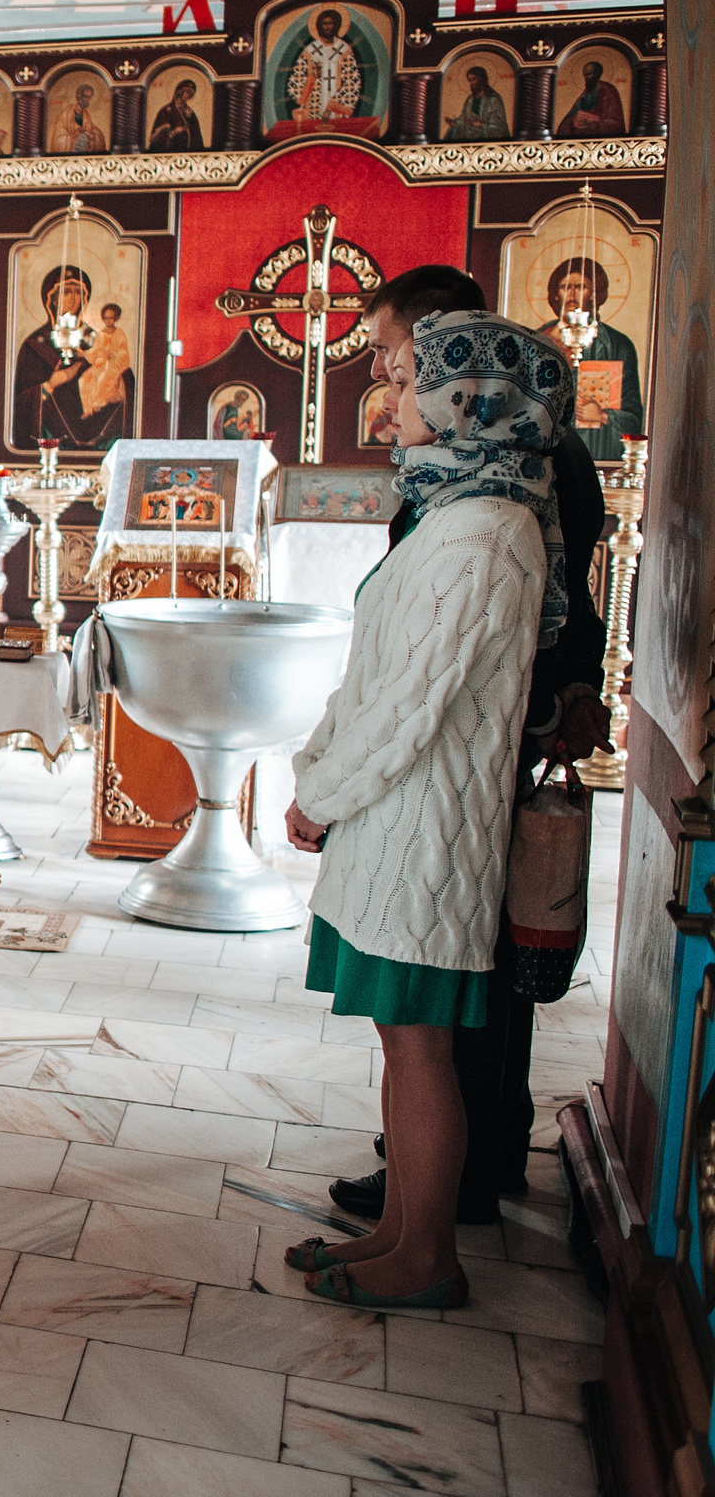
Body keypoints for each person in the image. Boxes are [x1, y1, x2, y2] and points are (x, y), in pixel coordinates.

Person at [283, 296, 576, 1307]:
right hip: (391, 820)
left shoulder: (488, 532)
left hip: (425, 823)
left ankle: (426, 1256)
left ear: (472, 398)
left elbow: (413, 702)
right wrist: (321, 772)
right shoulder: (454, 510)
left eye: (412, 379)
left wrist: (321, 794)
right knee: (401, 1044)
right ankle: (397, 1231)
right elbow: (375, 672)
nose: (391, 396)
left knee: (422, 1047)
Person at [326, 265, 608, 1228]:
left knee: (454, 1008)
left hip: (468, 762)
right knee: (426, 1022)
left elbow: (441, 676)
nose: (384, 383)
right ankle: (426, 1183)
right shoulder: (454, 486)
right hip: (443, 762)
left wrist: (566, 696)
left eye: (397, 363)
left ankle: (465, 1173)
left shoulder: (511, 493)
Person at [541, 257, 643, 458]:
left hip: (598, 456)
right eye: (565, 287)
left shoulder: (617, 345)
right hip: (548, 454)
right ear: (555, 294)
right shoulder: (539, 339)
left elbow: (634, 419)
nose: (572, 295)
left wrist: (603, 415)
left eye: (581, 287)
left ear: (596, 294)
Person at [14, 266, 125, 448]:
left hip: (95, 418)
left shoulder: (98, 340)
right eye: (66, 292)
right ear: (53, 299)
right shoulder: (35, 344)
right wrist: (51, 384)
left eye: (78, 292)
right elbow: (20, 400)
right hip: (55, 432)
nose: (73, 299)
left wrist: (118, 382)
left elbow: (121, 372)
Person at [558, 61, 627, 137]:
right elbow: (569, 118)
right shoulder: (585, 94)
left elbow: (616, 123)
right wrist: (573, 120)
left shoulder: (608, 91)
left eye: (590, 74)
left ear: (598, 74)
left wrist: (598, 125)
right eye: (585, 75)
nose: (587, 78)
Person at [443, 66, 510, 141]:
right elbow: (464, 118)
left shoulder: (494, 99)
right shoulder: (470, 99)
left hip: (485, 134)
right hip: (470, 133)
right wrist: (455, 123)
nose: (471, 83)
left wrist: (480, 124)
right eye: (470, 80)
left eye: (473, 79)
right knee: (454, 130)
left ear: (481, 79)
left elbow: (498, 126)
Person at [149, 80, 204, 151]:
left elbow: (196, 135)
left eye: (190, 94)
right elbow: (157, 136)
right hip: (170, 150)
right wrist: (174, 131)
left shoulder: (190, 113)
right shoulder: (167, 111)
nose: (187, 95)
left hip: (188, 152)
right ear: (179, 92)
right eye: (186, 92)